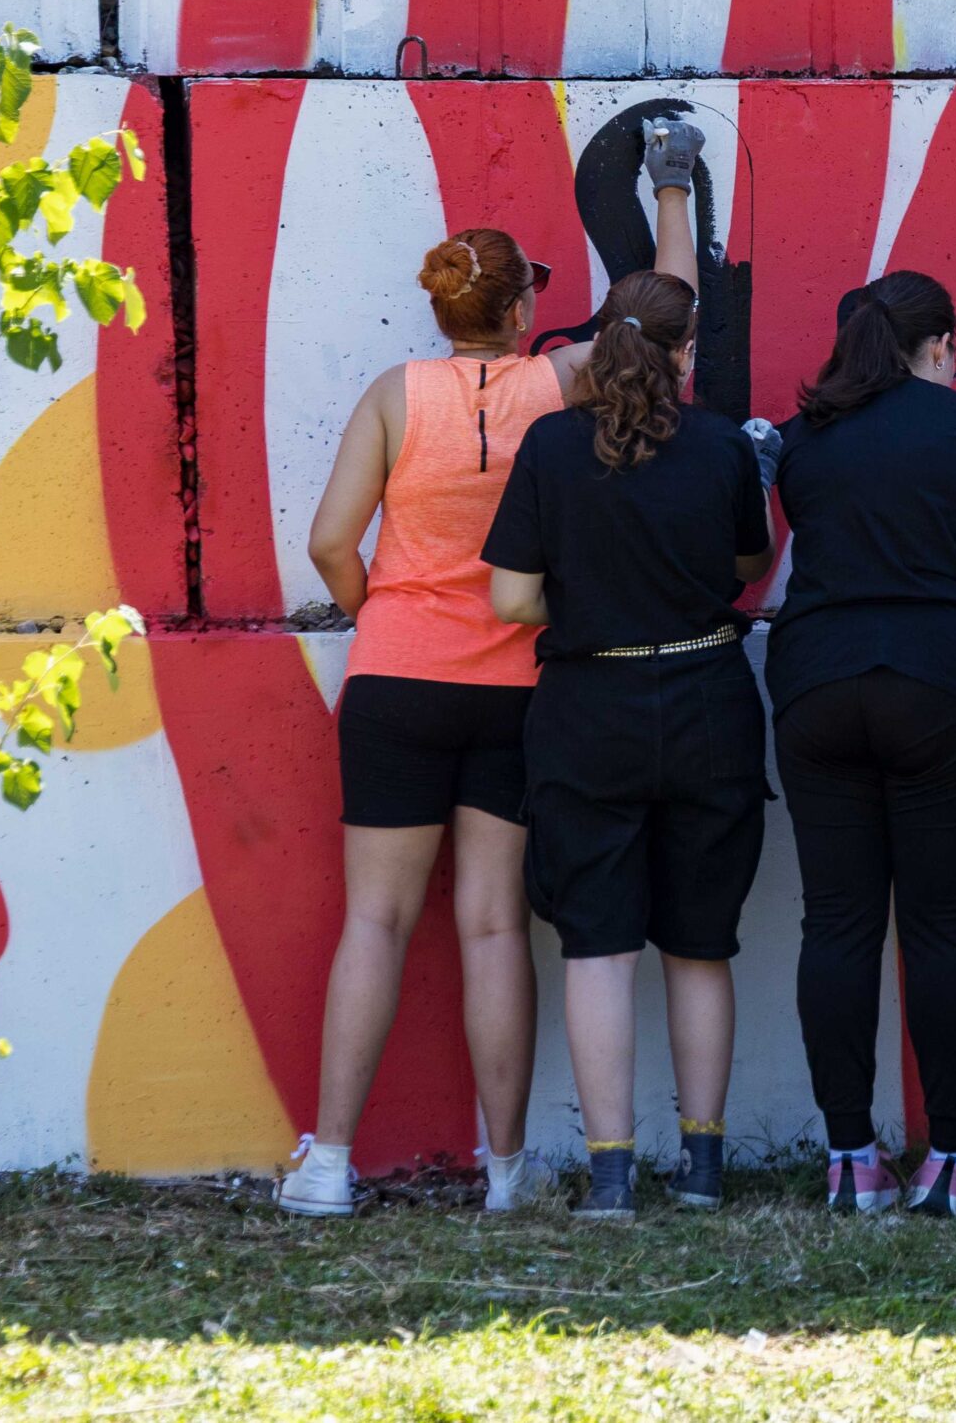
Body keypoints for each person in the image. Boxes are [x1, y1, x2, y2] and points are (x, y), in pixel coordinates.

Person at [280, 121, 706, 1218]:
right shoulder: (558, 383)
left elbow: (329, 542)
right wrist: (671, 187)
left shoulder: (394, 392)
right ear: (522, 312)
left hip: (395, 680)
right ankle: (506, 1172)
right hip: (517, 686)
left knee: (373, 921)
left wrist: (386, 614)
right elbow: (666, 312)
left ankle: (328, 1164)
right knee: (491, 924)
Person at [483, 269, 775, 1222]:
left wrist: (590, 598)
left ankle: (610, 1177)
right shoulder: (724, 447)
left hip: (588, 710)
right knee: (700, 945)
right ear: (687, 352)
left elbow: (512, 599)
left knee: (598, 948)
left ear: (601, 336)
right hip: (708, 701)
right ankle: (702, 1169)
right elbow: (749, 564)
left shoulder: (551, 445)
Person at [762, 271, 956, 1218]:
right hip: (937, 681)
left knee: (836, 924)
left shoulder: (802, 437)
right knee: (941, 927)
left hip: (817, 682)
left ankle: (849, 1160)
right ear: (943, 343)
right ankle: (949, 1160)